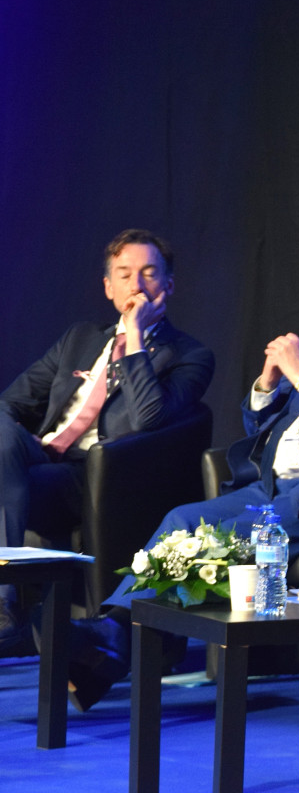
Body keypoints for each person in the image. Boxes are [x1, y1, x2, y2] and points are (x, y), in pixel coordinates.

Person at [64, 226, 299, 709]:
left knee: (209, 544)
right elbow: (267, 420)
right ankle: (111, 641)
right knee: (183, 519)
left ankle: (108, 642)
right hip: (269, 486)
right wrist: (266, 387)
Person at [0, 229, 213, 649]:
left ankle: (5, 605)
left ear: (168, 285)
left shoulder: (189, 355)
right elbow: (12, 401)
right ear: (108, 286)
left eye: (149, 273)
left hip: (95, 476)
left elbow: (149, 418)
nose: (136, 285)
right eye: (125, 273)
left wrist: (134, 340)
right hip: (37, 455)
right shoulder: (80, 338)